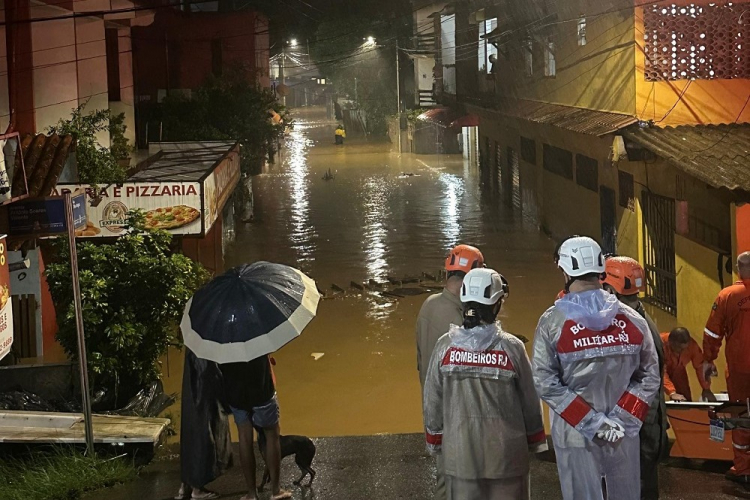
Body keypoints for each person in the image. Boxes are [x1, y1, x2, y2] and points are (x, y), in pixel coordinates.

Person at [532, 236, 660, 500]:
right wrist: (619, 422)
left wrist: (593, 423)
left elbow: (545, 381)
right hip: (623, 435)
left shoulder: (552, 322)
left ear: (566, 271)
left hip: (576, 435)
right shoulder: (632, 319)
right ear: (601, 269)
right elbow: (650, 375)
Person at [423, 268, 547, 499]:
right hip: (506, 458)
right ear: (497, 304)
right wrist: (535, 441)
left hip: (460, 458)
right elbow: (530, 401)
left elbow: (432, 400)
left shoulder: (444, 347)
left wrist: (436, 442)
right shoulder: (512, 348)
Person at [416, 243, 484, 499]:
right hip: (455, 412)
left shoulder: (428, 305)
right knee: (454, 481)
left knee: (447, 474)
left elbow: (421, 360)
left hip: (433, 404)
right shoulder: (457, 321)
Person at [601, 255, 668, 500]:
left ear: (609, 288)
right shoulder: (637, 318)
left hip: (639, 426)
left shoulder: (632, 326)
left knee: (633, 488)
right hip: (646, 423)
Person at [703, 251, 750, 486]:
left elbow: (712, 333)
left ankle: (743, 468)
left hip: (740, 369)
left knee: (741, 415)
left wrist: (709, 359)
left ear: (739, 270)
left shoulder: (727, 296)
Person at [220, 355, 292, 500]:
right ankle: (276, 490)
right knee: (272, 436)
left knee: (244, 438)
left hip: (236, 395)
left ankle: (251, 493)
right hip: (262, 391)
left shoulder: (223, 337)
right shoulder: (257, 333)